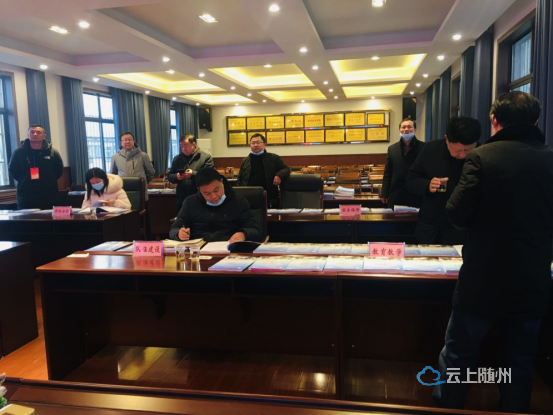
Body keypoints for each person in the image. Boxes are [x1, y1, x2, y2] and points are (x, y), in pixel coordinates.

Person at [432, 92, 553, 413]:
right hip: (534, 277)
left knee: (459, 353)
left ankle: (448, 407)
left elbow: (457, 214)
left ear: (494, 120)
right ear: (536, 121)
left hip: (483, 277)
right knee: (520, 359)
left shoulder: (482, 157)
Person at [406, 116, 481, 245]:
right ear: (447, 139)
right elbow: (410, 178)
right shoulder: (431, 149)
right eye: (458, 150)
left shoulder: (482, 154)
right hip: (431, 225)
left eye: (468, 150)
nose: (463, 155)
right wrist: (427, 185)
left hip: (464, 227)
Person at [169, 168, 261, 243]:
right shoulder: (190, 202)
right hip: (199, 252)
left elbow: (255, 231)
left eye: (216, 190)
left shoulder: (239, 201)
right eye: (207, 193)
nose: (213, 196)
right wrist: (178, 233)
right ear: (199, 189)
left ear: (222, 182)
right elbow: (173, 229)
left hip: (229, 250)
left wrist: (243, 234)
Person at [8, 124, 64, 209]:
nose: (34, 134)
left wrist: (49, 180)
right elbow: (12, 170)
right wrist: (24, 180)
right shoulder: (19, 152)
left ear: (44, 136)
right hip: (26, 196)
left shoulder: (53, 152)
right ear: (28, 134)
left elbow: (59, 171)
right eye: (32, 132)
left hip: (49, 196)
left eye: (38, 132)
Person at [380, 118, 425, 208]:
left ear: (415, 129)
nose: (406, 129)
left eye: (409, 127)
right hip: (396, 193)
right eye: (403, 127)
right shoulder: (392, 149)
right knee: (394, 216)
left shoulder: (424, 147)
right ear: (400, 129)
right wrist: (384, 193)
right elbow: (388, 173)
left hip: (416, 193)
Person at [237, 133, 290, 208]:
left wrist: (279, 175)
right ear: (250, 145)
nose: (255, 145)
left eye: (258, 142)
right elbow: (240, 180)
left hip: (268, 196)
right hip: (249, 196)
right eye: (253, 143)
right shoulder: (245, 161)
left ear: (265, 144)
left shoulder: (273, 158)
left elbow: (286, 169)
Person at [167, 134, 214, 211]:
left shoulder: (206, 158)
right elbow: (170, 176)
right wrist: (176, 176)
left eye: (185, 145)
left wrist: (193, 174)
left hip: (200, 198)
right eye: (181, 146)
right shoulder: (177, 159)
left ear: (194, 144)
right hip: (182, 199)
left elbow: (210, 177)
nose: (183, 149)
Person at [111, 132, 155, 198]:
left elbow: (150, 172)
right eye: (125, 140)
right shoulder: (115, 157)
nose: (128, 142)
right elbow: (113, 175)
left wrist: (143, 181)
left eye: (130, 139)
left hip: (140, 190)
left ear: (133, 141)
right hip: (122, 191)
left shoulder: (143, 155)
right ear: (121, 143)